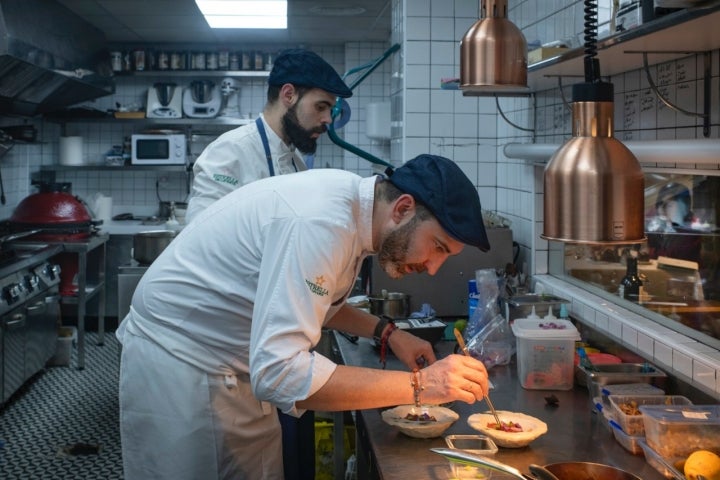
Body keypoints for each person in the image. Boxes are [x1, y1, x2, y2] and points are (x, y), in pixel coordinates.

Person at [116, 154, 493, 480]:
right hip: (181, 365)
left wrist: (389, 332)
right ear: (402, 209)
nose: (432, 268)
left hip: (237, 364)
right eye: (437, 247)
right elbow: (280, 373)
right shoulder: (320, 223)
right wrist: (422, 386)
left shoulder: (355, 215)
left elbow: (319, 304)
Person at [185, 48, 353, 223]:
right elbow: (201, 234)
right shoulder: (230, 152)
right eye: (320, 107)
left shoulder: (297, 162)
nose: (328, 119)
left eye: (330, 110)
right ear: (289, 95)